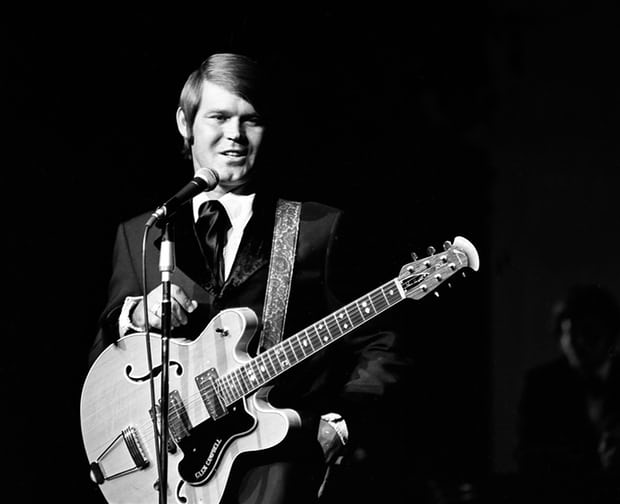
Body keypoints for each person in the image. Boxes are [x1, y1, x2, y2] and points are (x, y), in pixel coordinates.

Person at [87, 53, 408, 504]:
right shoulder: (144, 233)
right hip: (171, 475)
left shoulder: (317, 229)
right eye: (219, 117)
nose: (235, 135)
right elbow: (106, 357)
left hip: (277, 470)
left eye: (251, 120)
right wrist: (137, 314)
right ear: (185, 123)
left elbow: (380, 342)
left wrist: (343, 422)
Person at [516, 284, 620, 503]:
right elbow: (528, 456)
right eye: (571, 333)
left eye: (591, 333)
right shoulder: (542, 385)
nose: (580, 343)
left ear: (611, 335)